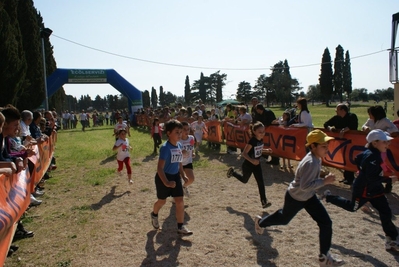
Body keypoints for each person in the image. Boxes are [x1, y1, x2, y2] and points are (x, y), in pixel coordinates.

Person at [254, 129, 344, 267]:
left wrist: (320, 175)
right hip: (296, 197)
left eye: (327, 146)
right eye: (323, 146)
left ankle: (324, 257)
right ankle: (260, 223)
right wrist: (324, 181)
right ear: (313, 146)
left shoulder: (316, 159)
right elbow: (304, 186)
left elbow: (308, 183)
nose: (327, 149)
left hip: (309, 197)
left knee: (326, 223)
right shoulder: (311, 162)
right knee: (284, 219)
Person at [323, 129, 399, 252]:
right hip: (363, 189)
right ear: (375, 143)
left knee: (386, 212)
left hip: (375, 189)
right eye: (385, 142)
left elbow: (358, 158)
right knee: (352, 207)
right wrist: (389, 180)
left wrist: (363, 171)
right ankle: (329, 197)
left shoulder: (373, 154)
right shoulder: (372, 156)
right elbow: (371, 177)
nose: (388, 144)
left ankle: (391, 239)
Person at [150, 119, 193, 236]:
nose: (179, 134)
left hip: (175, 176)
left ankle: (180, 226)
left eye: (180, 132)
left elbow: (179, 161)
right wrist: (166, 182)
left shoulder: (179, 145)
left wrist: (183, 174)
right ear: (168, 133)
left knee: (179, 201)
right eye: (177, 132)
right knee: (162, 201)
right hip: (163, 177)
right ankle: (154, 214)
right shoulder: (165, 148)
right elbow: (160, 168)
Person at [227, 122, 273, 208]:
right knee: (244, 180)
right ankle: (233, 172)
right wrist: (252, 160)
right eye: (260, 132)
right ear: (254, 131)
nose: (262, 133)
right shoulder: (252, 141)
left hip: (257, 165)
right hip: (248, 165)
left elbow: (258, 150)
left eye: (263, 131)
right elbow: (244, 153)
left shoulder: (260, 140)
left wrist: (266, 150)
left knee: (261, 182)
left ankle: (264, 202)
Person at [324, 103, 358, 185]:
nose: (336, 111)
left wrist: (344, 130)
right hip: (341, 143)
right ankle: (346, 177)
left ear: (343, 110)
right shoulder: (336, 118)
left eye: (337, 109)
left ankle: (350, 178)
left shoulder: (352, 116)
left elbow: (354, 125)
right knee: (344, 158)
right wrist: (330, 128)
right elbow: (326, 124)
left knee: (349, 158)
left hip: (351, 143)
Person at [180, 121, 196, 197]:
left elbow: (192, 147)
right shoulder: (177, 140)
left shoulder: (191, 138)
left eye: (188, 129)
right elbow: (172, 151)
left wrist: (193, 152)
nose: (186, 131)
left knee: (191, 179)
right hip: (178, 163)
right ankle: (175, 197)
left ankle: (184, 187)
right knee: (177, 181)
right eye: (184, 129)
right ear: (180, 130)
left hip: (188, 162)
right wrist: (181, 151)